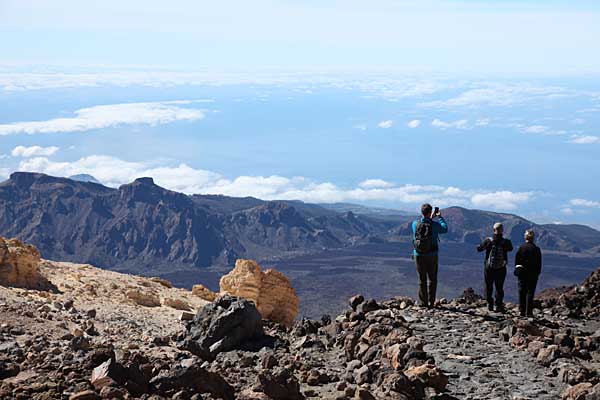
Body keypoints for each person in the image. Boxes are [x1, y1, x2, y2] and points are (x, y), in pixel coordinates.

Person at [412, 203, 448, 309]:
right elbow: (445, 229)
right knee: (432, 279)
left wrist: (429, 218)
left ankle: (424, 302)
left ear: (421, 212)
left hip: (418, 254)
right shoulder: (434, 225)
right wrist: (440, 217)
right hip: (432, 255)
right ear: (430, 212)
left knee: (421, 279)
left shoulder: (414, 224)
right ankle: (431, 302)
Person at [477, 222, 513, 312]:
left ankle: (489, 304)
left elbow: (479, 249)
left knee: (488, 285)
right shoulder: (506, 242)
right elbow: (510, 248)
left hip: (489, 267)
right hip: (501, 267)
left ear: (493, 230)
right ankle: (498, 305)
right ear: (502, 231)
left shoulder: (488, 241)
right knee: (499, 286)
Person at [515, 229, 542, 317]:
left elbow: (517, 261)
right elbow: (539, 263)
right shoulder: (536, 249)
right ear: (533, 238)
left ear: (525, 237)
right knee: (530, 292)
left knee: (522, 291)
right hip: (533, 274)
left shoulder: (521, 248)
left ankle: (521, 311)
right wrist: (537, 273)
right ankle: (529, 312)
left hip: (522, 273)